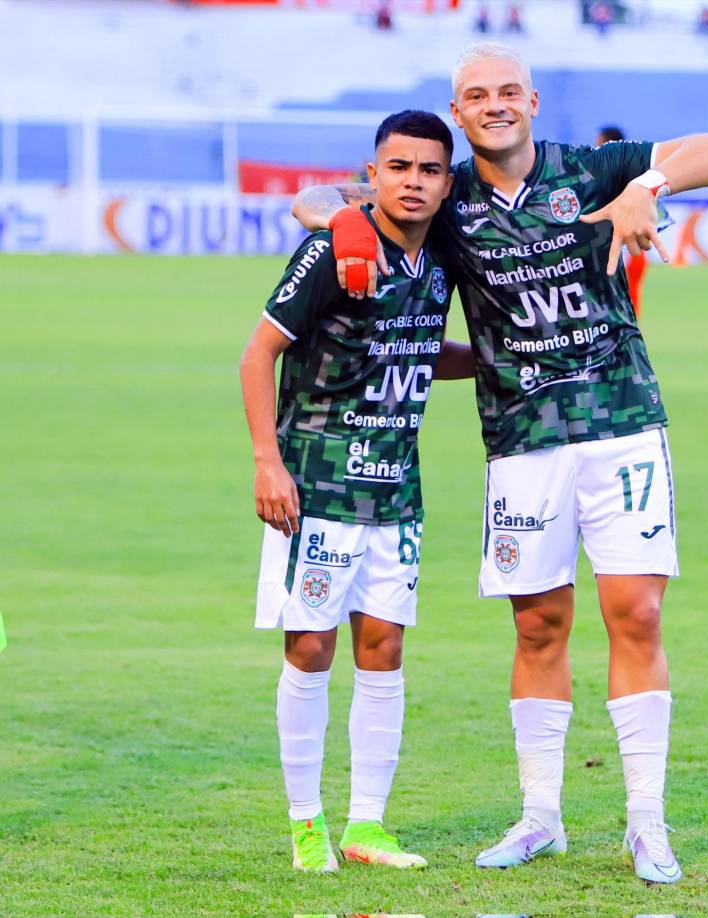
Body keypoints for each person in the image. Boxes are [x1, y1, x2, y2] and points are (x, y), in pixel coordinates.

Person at [291, 43, 708, 884]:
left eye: (508, 91)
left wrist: (649, 187)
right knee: (537, 625)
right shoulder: (447, 196)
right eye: (475, 96)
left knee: (636, 614)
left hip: (622, 427)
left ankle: (646, 823)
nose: (494, 104)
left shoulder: (595, 168)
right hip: (521, 442)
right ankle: (541, 817)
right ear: (458, 115)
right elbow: (309, 200)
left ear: (533, 101)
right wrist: (348, 219)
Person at [240, 110, 472, 874]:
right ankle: (307, 825)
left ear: (446, 181)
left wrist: (497, 362)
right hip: (317, 485)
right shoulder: (331, 248)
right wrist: (267, 463)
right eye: (397, 167)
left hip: (397, 491)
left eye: (429, 170)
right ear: (373, 172)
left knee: (386, 648)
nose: (413, 181)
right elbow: (257, 355)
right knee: (311, 647)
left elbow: (412, 349)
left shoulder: (438, 255)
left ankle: (366, 826)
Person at [595, 125, 649, 318]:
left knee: (617, 307)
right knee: (629, 304)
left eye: (599, 143)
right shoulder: (635, 173)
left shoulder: (606, 175)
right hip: (634, 249)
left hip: (622, 247)